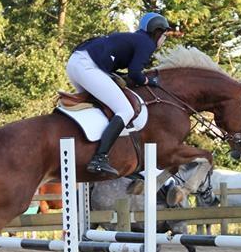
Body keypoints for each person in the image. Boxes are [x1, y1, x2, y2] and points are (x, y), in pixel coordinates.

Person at [66, 12, 174, 177]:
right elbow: (135, 74)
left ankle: (93, 152)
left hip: (76, 63)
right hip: (87, 66)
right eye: (164, 35)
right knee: (126, 110)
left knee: (101, 110)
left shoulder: (136, 39)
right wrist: (148, 81)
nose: (164, 39)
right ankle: (99, 158)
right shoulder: (147, 43)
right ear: (157, 31)